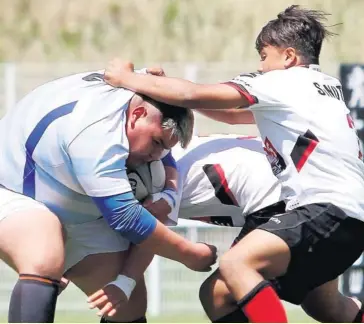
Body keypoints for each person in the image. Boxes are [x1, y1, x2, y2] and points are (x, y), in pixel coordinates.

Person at [102, 5, 364, 323]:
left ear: (289, 57)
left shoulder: (281, 83)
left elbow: (193, 94)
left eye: (264, 57)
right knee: (231, 296)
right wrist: (168, 92)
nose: (260, 67)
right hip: (348, 216)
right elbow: (227, 111)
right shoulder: (323, 87)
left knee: (236, 264)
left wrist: (128, 79)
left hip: (323, 209)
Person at [0, 69, 217, 323]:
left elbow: (146, 76)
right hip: (12, 188)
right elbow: (126, 218)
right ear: (136, 115)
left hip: (72, 200)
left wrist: (169, 190)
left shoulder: (140, 90)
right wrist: (189, 254)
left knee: (129, 305)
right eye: (156, 143)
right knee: (44, 256)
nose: (154, 156)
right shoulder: (95, 134)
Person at [87, 134, 285, 321]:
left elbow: (150, 234)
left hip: (273, 198)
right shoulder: (164, 152)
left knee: (218, 294)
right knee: (313, 296)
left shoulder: (153, 174)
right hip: (290, 185)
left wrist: (125, 283)